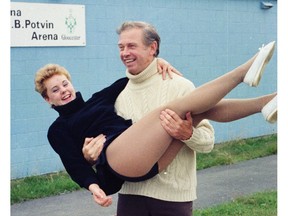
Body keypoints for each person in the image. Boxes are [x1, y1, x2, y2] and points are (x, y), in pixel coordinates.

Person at [35, 33, 276, 210]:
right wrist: (94, 186)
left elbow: (133, 76)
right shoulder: (58, 129)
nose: (63, 91)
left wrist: (159, 62)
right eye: (55, 90)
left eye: (64, 84)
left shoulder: (101, 98)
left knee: (199, 112)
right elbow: (73, 163)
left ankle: (266, 103)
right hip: (118, 159)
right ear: (48, 99)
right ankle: (243, 71)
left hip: (150, 164)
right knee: (173, 109)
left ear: (71, 82)